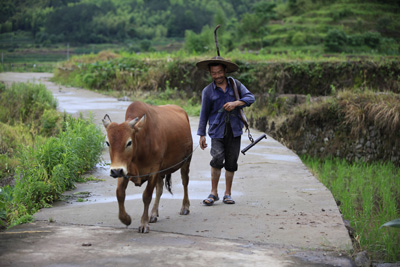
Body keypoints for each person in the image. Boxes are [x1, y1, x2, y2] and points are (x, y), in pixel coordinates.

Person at [196, 56, 255, 206]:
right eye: (214, 73)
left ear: (225, 71)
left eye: (219, 72)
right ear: (210, 74)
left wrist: (236, 103)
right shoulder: (208, 91)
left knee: (231, 162)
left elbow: (250, 97)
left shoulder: (236, 85)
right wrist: (201, 134)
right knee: (216, 158)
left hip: (234, 129)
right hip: (217, 131)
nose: (217, 76)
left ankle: (227, 193)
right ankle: (213, 192)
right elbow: (203, 114)